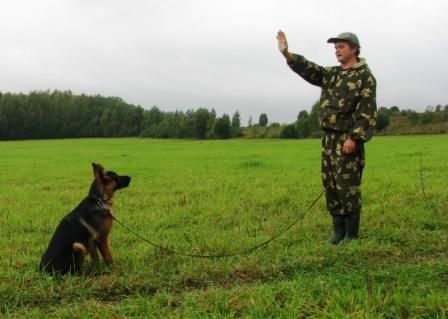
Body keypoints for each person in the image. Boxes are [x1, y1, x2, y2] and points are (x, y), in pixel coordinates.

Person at [276, 31, 377, 244]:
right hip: (328, 140)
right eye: (335, 47)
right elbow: (310, 70)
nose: (336, 50)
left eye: (341, 46)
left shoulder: (364, 76)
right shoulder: (332, 74)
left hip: (347, 140)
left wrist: (354, 138)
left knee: (347, 186)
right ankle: (338, 232)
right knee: (330, 185)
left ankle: (351, 235)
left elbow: (366, 111)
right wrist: (287, 54)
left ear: (353, 49)